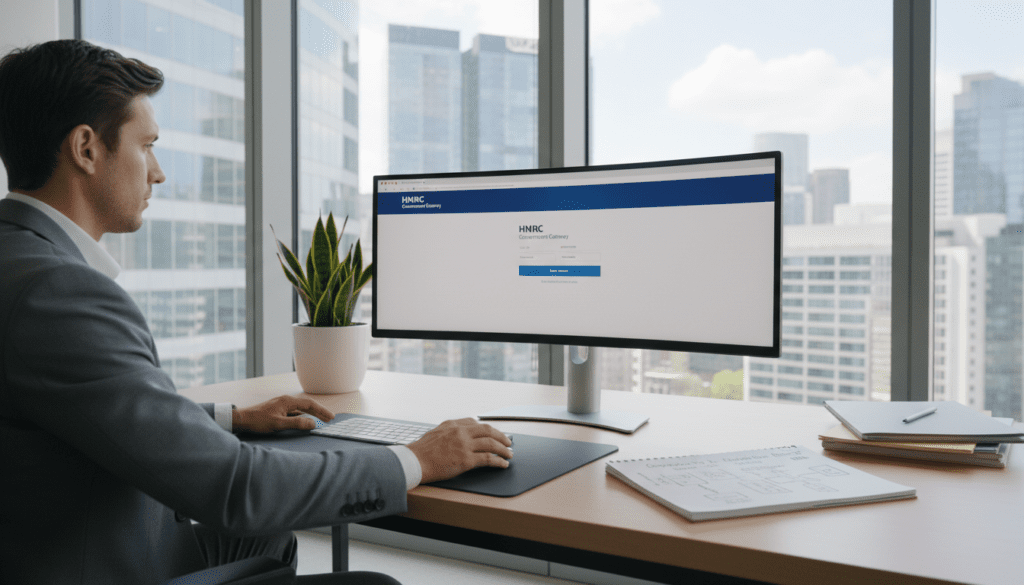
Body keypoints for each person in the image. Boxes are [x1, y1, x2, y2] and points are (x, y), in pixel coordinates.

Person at [0, 39, 513, 585]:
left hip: (62, 542)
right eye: (146, 146)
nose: (158, 173)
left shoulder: (20, 259)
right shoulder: (60, 293)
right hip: (108, 567)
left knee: (266, 540)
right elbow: (237, 490)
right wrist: (417, 460)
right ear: (85, 148)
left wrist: (234, 419)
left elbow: (99, 409)